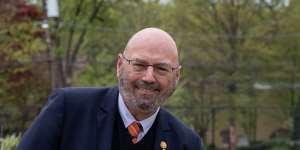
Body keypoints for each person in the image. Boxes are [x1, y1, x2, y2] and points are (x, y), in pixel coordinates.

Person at [17, 27, 202, 150]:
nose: (148, 77)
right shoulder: (68, 110)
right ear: (119, 65)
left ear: (176, 76)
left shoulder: (187, 143)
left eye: (161, 68)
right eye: (139, 65)